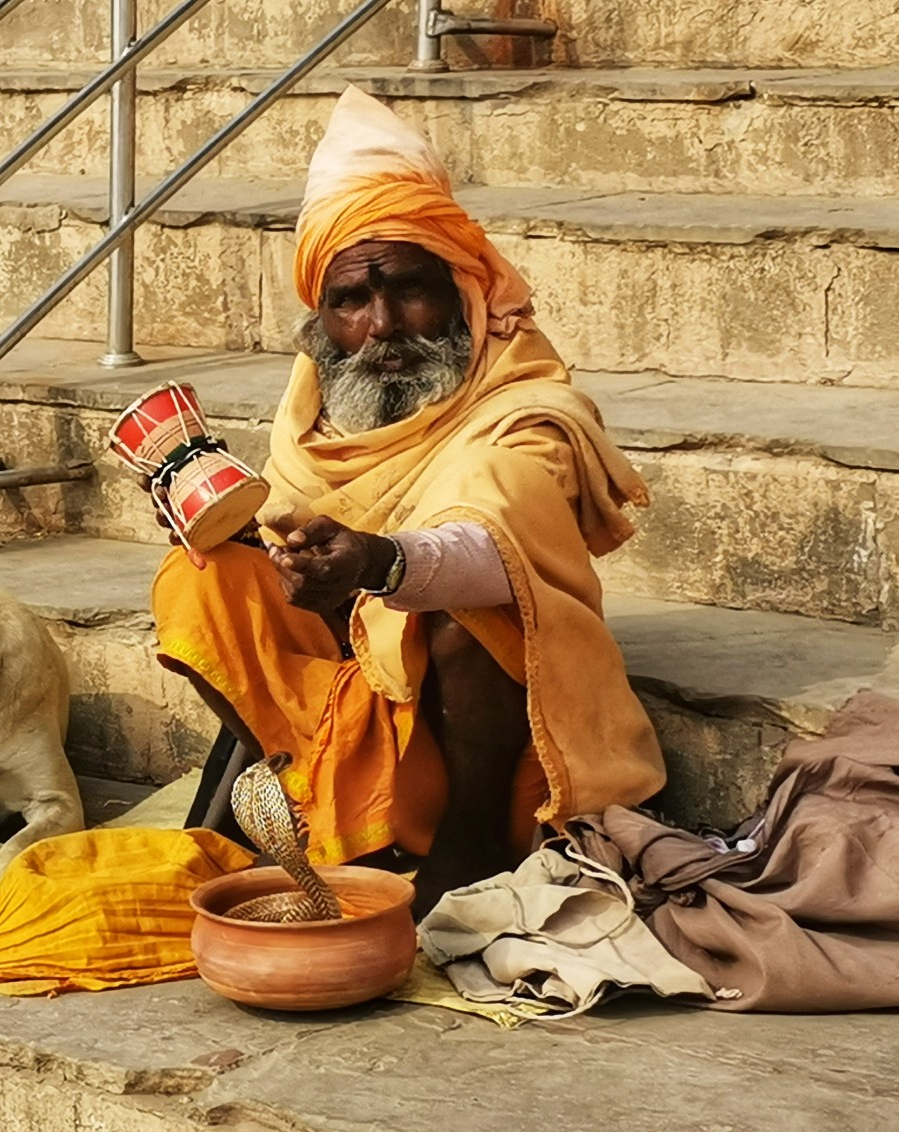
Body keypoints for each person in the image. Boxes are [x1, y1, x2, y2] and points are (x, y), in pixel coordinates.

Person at [152, 87, 667, 916]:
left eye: (408, 289)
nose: (383, 325)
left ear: (464, 289)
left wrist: (381, 562)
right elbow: (295, 541)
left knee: (457, 608)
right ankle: (312, 800)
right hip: (357, 681)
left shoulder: (528, 408)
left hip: (497, 724)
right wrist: (236, 531)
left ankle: (464, 845)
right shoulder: (319, 405)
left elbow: (492, 539)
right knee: (200, 576)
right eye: (350, 300)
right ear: (322, 317)